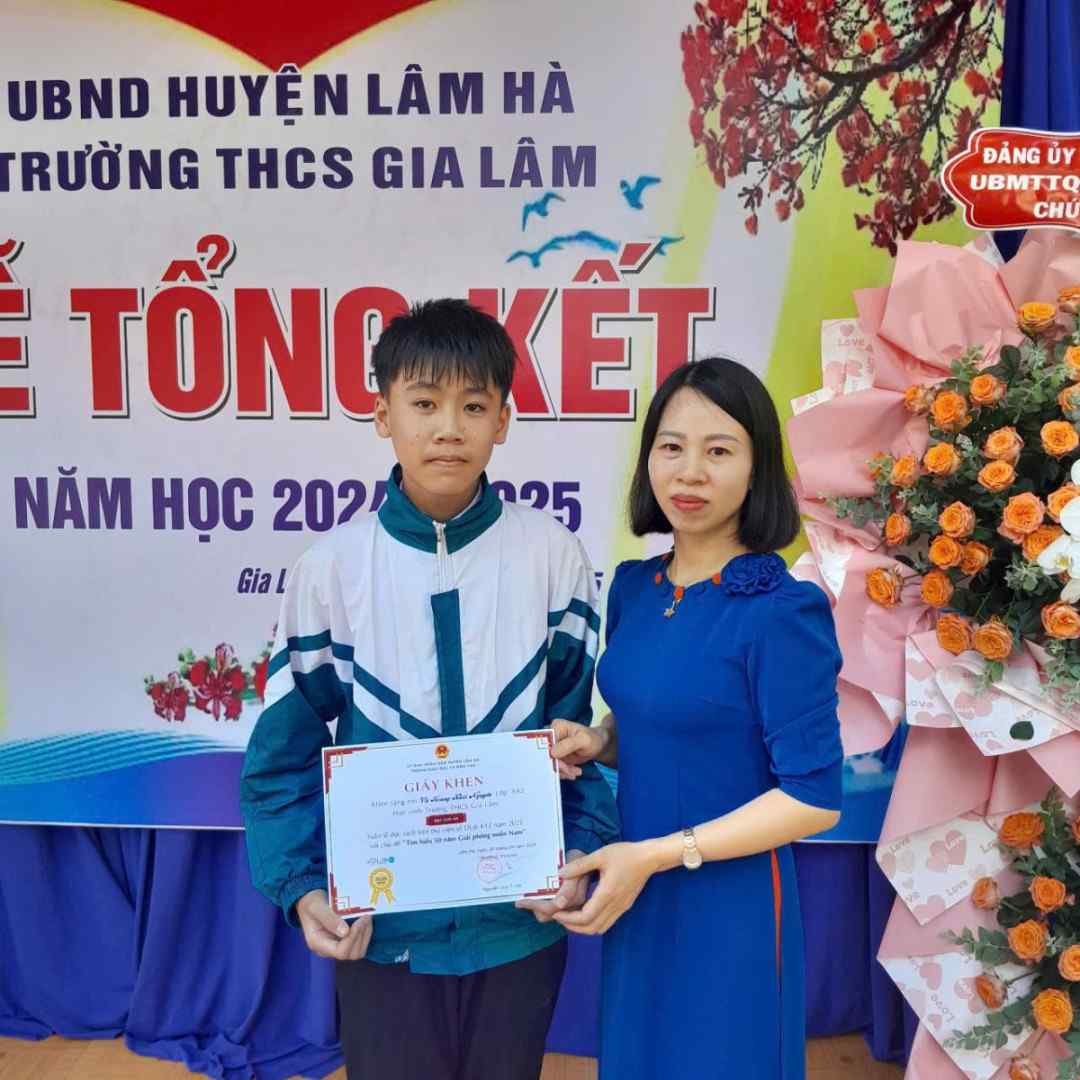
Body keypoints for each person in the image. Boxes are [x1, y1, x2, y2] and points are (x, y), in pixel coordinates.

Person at [239, 299, 618, 1080]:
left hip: (519, 925)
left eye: (473, 406)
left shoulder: (553, 558)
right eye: (423, 403)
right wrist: (304, 887)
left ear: (503, 421)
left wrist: (579, 851)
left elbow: (582, 742)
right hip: (383, 930)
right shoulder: (331, 570)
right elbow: (280, 760)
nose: (449, 428)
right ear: (383, 415)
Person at [549, 356, 844, 1080]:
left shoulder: (783, 610)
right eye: (672, 447)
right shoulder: (635, 588)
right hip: (637, 890)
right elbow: (661, 721)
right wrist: (599, 740)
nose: (689, 472)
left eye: (719, 451)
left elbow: (814, 798)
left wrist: (657, 854)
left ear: (757, 468)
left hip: (730, 901)